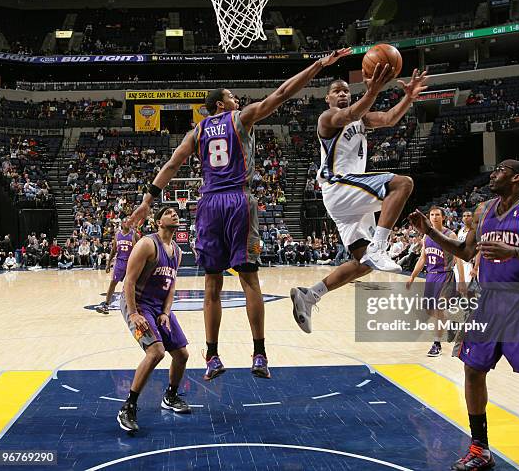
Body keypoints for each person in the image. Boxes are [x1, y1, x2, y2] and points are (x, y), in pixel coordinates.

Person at [129, 49, 352, 380]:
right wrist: (318, 66)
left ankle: (212, 356)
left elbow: (173, 163)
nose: (237, 99)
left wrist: (149, 199)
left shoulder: (198, 132)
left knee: (211, 284)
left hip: (207, 204)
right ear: (221, 104)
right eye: (232, 96)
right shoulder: (241, 117)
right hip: (237, 201)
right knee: (249, 280)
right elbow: (282, 93)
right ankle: (259, 354)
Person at [409, 159, 519, 471]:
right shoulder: (483, 211)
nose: (493, 173)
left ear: (516, 178)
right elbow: (466, 250)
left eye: (500, 170)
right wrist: (429, 230)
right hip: (487, 299)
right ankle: (480, 448)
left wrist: (515, 252)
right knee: (472, 370)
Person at [291, 68, 428, 333]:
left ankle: (310, 295)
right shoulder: (328, 118)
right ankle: (380, 244)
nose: (342, 93)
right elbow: (350, 113)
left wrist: (408, 98)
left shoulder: (362, 119)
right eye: (337, 91)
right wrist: (373, 90)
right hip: (339, 186)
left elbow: (388, 118)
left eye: (345, 90)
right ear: (328, 99)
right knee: (402, 184)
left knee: (364, 263)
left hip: (349, 198)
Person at [117, 206, 190, 432]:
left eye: (175, 212)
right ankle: (128, 407)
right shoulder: (147, 244)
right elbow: (128, 281)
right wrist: (134, 313)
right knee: (156, 351)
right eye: (168, 212)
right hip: (137, 304)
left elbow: (171, 286)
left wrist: (166, 314)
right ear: (158, 221)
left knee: (181, 354)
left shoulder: (176, 251)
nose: (174, 214)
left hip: (158, 307)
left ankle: (170, 396)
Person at [406, 206, 466, 357]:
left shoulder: (450, 235)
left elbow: (458, 257)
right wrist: (413, 276)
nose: (434, 217)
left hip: (445, 275)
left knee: (439, 309)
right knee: (429, 310)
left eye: (438, 215)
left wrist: (462, 280)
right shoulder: (427, 237)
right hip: (431, 276)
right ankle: (450, 321)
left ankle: (436, 344)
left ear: (443, 217)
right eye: (432, 215)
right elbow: (422, 258)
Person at [97, 217, 138, 314]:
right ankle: (106, 305)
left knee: (131, 285)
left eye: (130, 222)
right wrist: (108, 263)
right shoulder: (117, 235)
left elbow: (139, 250)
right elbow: (114, 250)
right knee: (112, 283)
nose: (128, 223)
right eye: (126, 222)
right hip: (119, 262)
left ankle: (135, 307)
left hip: (130, 263)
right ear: (122, 224)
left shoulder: (134, 235)